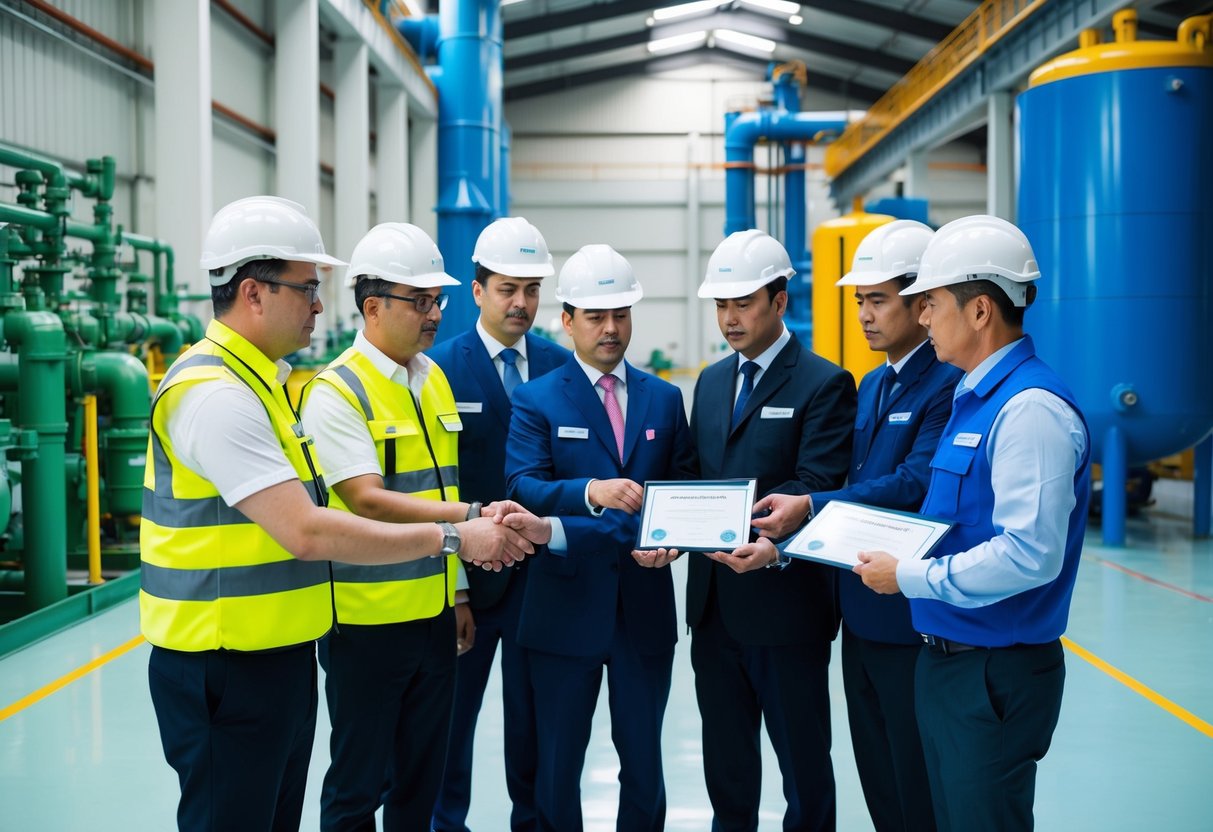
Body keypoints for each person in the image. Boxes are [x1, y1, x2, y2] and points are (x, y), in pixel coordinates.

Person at [140, 197, 544, 832]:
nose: (321, 305)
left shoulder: (265, 385)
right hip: (225, 658)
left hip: (276, 649)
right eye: (307, 289)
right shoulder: (216, 395)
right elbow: (306, 528)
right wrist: (455, 535)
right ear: (253, 292)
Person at [297, 222, 540, 831]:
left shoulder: (431, 379)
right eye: (420, 301)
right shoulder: (337, 391)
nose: (434, 314)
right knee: (359, 785)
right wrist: (470, 521)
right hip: (366, 622)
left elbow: (442, 485)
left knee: (420, 783)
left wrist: (457, 590)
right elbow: (366, 498)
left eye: (438, 301)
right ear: (372, 306)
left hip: (433, 615)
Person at [853, 214, 1091, 832]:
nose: (922, 317)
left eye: (930, 303)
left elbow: (1029, 554)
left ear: (980, 310)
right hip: (948, 661)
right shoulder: (974, 396)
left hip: (993, 670)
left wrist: (911, 577)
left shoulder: (1028, 410)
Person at [742, 220, 960, 832]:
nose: (864, 315)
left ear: (923, 304)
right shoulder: (871, 384)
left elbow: (915, 484)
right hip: (857, 615)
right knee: (879, 780)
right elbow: (857, 483)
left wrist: (810, 507)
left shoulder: (947, 384)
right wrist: (780, 547)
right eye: (859, 300)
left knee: (916, 784)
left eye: (878, 299)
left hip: (906, 616)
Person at [504, 244, 696, 832]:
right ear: (566, 321)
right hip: (563, 610)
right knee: (558, 768)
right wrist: (592, 491)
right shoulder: (536, 399)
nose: (611, 328)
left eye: (621, 314)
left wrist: (677, 542)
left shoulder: (664, 397)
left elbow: (683, 490)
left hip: (643, 610)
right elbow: (523, 485)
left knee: (643, 765)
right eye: (595, 316)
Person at [685, 229, 856, 832]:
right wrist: (668, 532)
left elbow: (819, 487)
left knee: (803, 768)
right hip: (713, 612)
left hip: (786, 612)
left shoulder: (824, 383)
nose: (729, 318)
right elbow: (693, 478)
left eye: (743, 303)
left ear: (780, 302)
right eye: (721, 305)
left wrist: (774, 549)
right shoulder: (708, 383)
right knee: (726, 770)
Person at [429, 217, 571, 832]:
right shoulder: (437, 370)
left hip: (544, 583)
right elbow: (431, 485)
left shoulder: (562, 368)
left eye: (532, 289)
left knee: (535, 728)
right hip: (468, 582)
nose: (521, 303)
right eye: (508, 288)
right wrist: (455, 584)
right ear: (477, 290)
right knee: (448, 729)